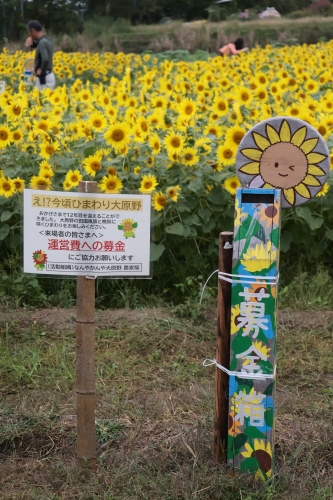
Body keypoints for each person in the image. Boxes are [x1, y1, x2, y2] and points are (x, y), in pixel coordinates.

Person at [25, 20, 55, 90]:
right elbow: (36, 44)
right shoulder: (47, 40)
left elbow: (45, 59)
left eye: (30, 33)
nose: (30, 35)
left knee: (40, 98)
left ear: (33, 30)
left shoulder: (42, 42)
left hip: (44, 77)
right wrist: (31, 38)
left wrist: (42, 71)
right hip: (49, 75)